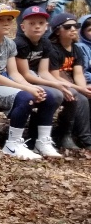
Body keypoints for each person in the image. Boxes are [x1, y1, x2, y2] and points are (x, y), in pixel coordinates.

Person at [0, 3, 62, 159]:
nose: (6, 23)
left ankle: (42, 141)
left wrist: (31, 86)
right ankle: (12, 144)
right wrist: (27, 90)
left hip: (1, 81)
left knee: (50, 95)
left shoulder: (9, 43)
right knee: (25, 97)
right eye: (0, 20)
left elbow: (14, 73)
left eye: (9, 19)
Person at [13, 6, 88, 151]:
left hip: (37, 78)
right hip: (20, 79)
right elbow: (25, 74)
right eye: (32, 23)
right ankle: (34, 136)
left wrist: (60, 84)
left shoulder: (45, 43)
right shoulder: (19, 43)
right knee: (53, 94)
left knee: (70, 93)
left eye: (41, 23)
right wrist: (58, 85)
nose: (37, 27)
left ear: (46, 26)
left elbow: (44, 72)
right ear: (23, 27)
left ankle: (64, 134)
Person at [47, 12, 91, 150]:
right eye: (67, 27)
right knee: (79, 98)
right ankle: (84, 138)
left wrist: (84, 89)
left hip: (69, 81)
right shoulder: (52, 49)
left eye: (75, 26)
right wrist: (81, 90)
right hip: (52, 81)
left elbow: (78, 74)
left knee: (86, 94)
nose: (73, 29)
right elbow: (55, 75)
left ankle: (80, 132)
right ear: (57, 31)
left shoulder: (76, 48)